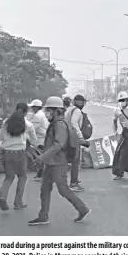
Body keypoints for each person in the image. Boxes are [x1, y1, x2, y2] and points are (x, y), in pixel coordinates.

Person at [28, 96, 91, 226]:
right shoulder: (55, 124)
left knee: (63, 189)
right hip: (51, 163)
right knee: (45, 190)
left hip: (58, 163)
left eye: (49, 110)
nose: (46, 113)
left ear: (57, 111)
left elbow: (59, 144)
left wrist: (42, 157)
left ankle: (82, 208)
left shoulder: (60, 125)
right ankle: (43, 216)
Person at [0, 103, 39, 211]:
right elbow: (35, 141)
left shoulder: (6, 122)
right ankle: (18, 202)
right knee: (22, 177)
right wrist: (31, 142)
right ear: (25, 112)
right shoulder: (28, 124)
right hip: (20, 153)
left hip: (7, 153)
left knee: (9, 177)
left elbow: (0, 137)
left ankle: (2, 196)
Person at [64, 94, 86, 192]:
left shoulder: (69, 109)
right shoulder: (77, 111)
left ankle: (74, 180)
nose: (82, 104)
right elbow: (74, 123)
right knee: (75, 160)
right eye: (81, 102)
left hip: (67, 135)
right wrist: (80, 136)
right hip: (74, 137)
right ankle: (73, 183)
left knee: (72, 159)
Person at [28, 99, 50, 182]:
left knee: (41, 157)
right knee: (42, 156)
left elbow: (32, 129)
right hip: (42, 138)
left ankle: (41, 175)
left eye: (33, 107)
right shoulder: (42, 114)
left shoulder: (37, 116)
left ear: (36, 107)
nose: (32, 109)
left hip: (40, 139)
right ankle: (40, 174)